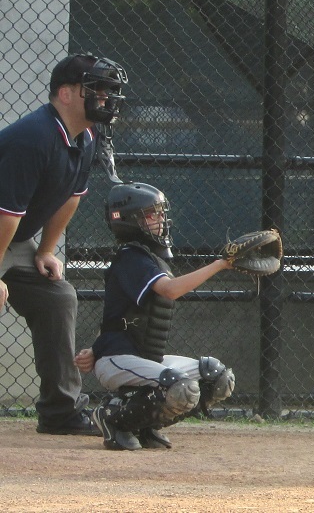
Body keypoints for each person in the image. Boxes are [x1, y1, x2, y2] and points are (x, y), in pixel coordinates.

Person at [0, 53, 127, 436]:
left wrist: (44, 250)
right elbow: (6, 215)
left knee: (57, 297)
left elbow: (71, 196)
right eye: (97, 90)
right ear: (66, 94)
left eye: (108, 92)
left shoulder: (85, 137)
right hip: (3, 228)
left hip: (12, 238)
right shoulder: (34, 137)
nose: (105, 99)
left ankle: (61, 411)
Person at [74, 182, 236, 450]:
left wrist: (94, 346)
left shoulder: (148, 258)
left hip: (143, 358)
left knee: (217, 377)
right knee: (180, 386)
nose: (161, 219)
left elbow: (119, 314)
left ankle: (145, 424)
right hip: (118, 360)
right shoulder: (131, 258)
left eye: (161, 213)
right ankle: (113, 418)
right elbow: (171, 290)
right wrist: (221, 264)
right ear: (129, 220)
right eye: (152, 213)